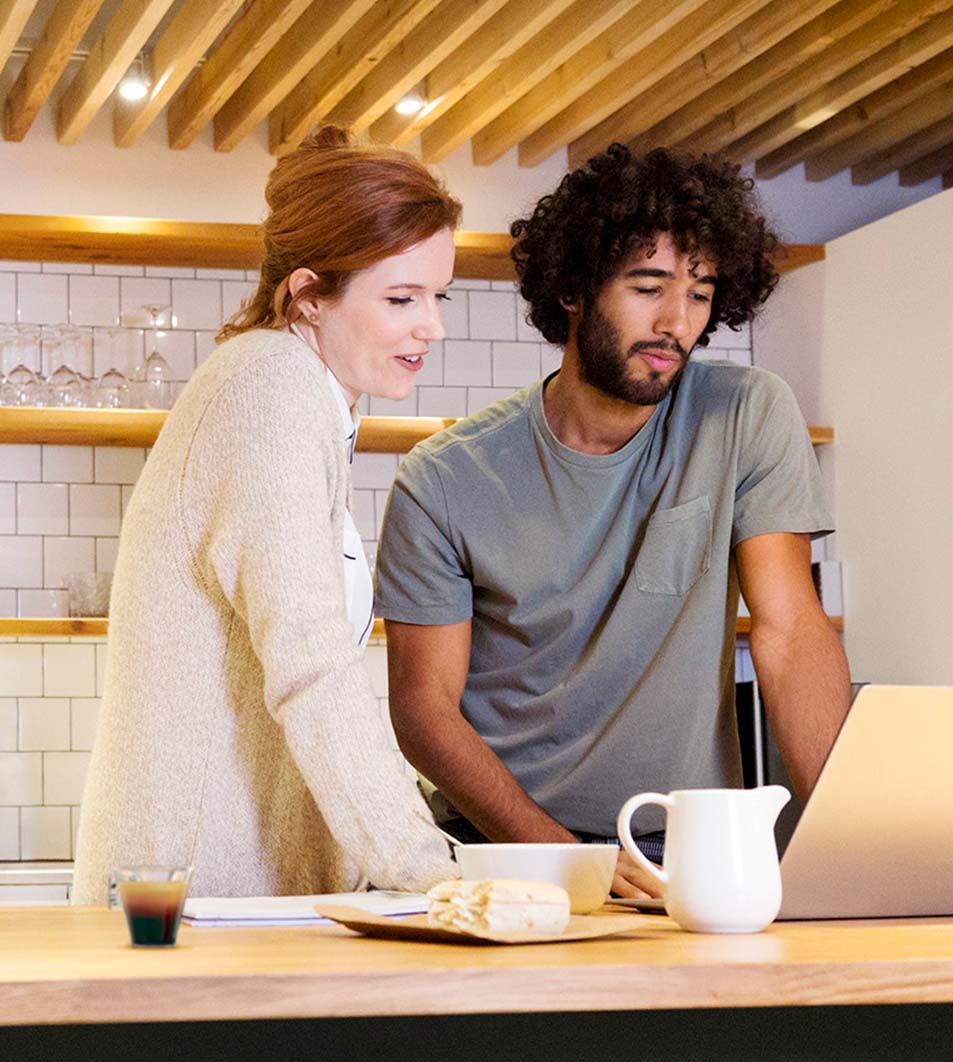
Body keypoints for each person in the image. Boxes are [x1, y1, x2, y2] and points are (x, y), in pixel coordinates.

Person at [374, 144, 851, 899]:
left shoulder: (746, 415)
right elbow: (422, 712)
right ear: (572, 287)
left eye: (700, 293)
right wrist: (570, 860)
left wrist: (853, 846)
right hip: (505, 849)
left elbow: (791, 632)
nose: (677, 323)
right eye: (648, 286)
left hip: (683, 848)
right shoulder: (444, 479)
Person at [72, 128, 460, 904]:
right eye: (401, 298)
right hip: (196, 903)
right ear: (309, 294)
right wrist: (434, 875)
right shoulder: (268, 394)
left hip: (231, 899)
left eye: (437, 296)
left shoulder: (297, 393)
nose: (433, 326)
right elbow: (311, 663)